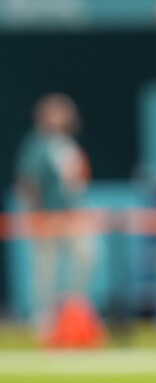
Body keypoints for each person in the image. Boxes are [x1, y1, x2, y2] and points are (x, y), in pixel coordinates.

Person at [15, 93, 95, 341]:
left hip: (71, 215)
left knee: (86, 256)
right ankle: (45, 319)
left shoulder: (68, 145)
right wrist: (38, 214)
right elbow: (28, 181)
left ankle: (73, 310)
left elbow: (76, 182)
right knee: (45, 269)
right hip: (48, 216)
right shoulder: (37, 145)